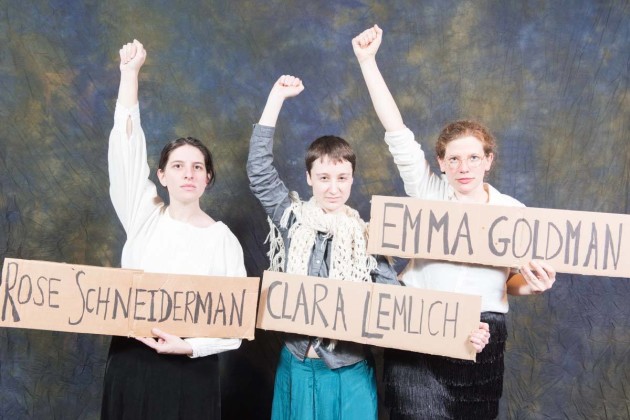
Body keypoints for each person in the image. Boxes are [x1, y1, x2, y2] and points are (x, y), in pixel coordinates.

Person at [247, 75, 490, 420]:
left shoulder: (369, 238)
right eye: (324, 178)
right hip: (298, 366)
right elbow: (258, 171)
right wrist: (275, 98)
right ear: (308, 178)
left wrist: (462, 328)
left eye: (342, 178)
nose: (333, 188)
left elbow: (401, 304)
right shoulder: (291, 219)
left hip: (350, 371)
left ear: (352, 180)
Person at [353, 25, 556, 419]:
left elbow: (511, 282)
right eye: (454, 159)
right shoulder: (427, 193)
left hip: (482, 333)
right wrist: (367, 62)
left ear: (489, 161)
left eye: (474, 158)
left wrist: (534, 286)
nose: (465, 167)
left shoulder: (514, 212)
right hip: (417, 324)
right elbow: (396, 132)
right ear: (441, 163)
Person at [102, 40, 246, 420]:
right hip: (132, 362)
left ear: (208, 178)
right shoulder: (143, 215)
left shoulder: (223, 240)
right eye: (179, 166)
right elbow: (126, 149)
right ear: (162, 175)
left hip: (190, 372)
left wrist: (189, 347)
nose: (189, 173)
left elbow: (234, 326)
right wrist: (129, 74)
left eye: (198, 167)